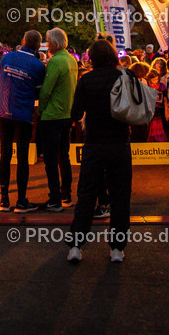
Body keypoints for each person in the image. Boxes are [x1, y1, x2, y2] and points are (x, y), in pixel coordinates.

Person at [66, 39, 131, 264]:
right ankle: (117, 248)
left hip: (94, 143)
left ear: (91, 58)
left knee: (86, 194)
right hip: (119, 142)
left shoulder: (86, 80)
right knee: (120, 196)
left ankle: (76, 245)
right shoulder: (122, 78)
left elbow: (75, 114)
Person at [0, 30, 45, 213]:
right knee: (22, 157)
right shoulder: (38, 66)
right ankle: (21, 201)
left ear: (23, 41)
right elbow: (39, 92)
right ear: (38, 47)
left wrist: (4, 94)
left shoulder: (7, 58)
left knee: (5, 154)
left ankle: (4, 199)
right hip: (23, 114)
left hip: (3, 112)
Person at [37, 27, 78, 211]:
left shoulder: (55, 61)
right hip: (67, 114)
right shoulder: (71, 59)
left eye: (48, 41)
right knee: (64, 157)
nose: (47, 45)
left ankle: (54, 198)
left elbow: (46, 90)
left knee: (51, 159)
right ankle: (66, 195)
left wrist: (41, 110)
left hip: (52, 115)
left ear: (54, 42)